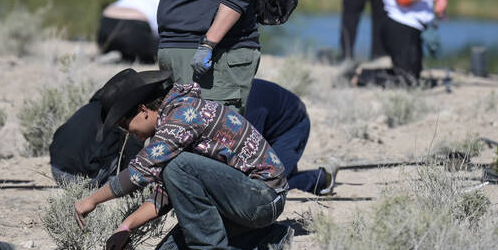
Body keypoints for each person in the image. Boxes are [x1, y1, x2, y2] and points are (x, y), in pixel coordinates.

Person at [73, 69, 291, 250]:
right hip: (237, 200)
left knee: (179, 166)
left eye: (124, 125)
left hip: (264, 196)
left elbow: (138, 172)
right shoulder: (170, 122)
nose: (128, 134)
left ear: (143, 111)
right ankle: (269, 238)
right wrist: (126, 226)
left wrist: (91, 200)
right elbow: (163, 195)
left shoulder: (183, 116)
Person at [49, 78, 337, 195]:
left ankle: (320, 178)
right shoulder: (199, 109)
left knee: (273, 182)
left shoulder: (242, 115)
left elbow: (250, 159)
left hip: (292, 123)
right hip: (270, 117)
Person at [244, 79, 338, 195]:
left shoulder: (249, 106)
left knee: (267, 188)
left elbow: (248, 154)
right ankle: (287, 169)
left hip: (292, 126)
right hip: (270, 128)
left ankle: (323, 178)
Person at [97, 0, 163, 63]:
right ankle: (126, 54)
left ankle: (116, 53)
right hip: (132, 28)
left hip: (104, 26)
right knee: (164, 48)